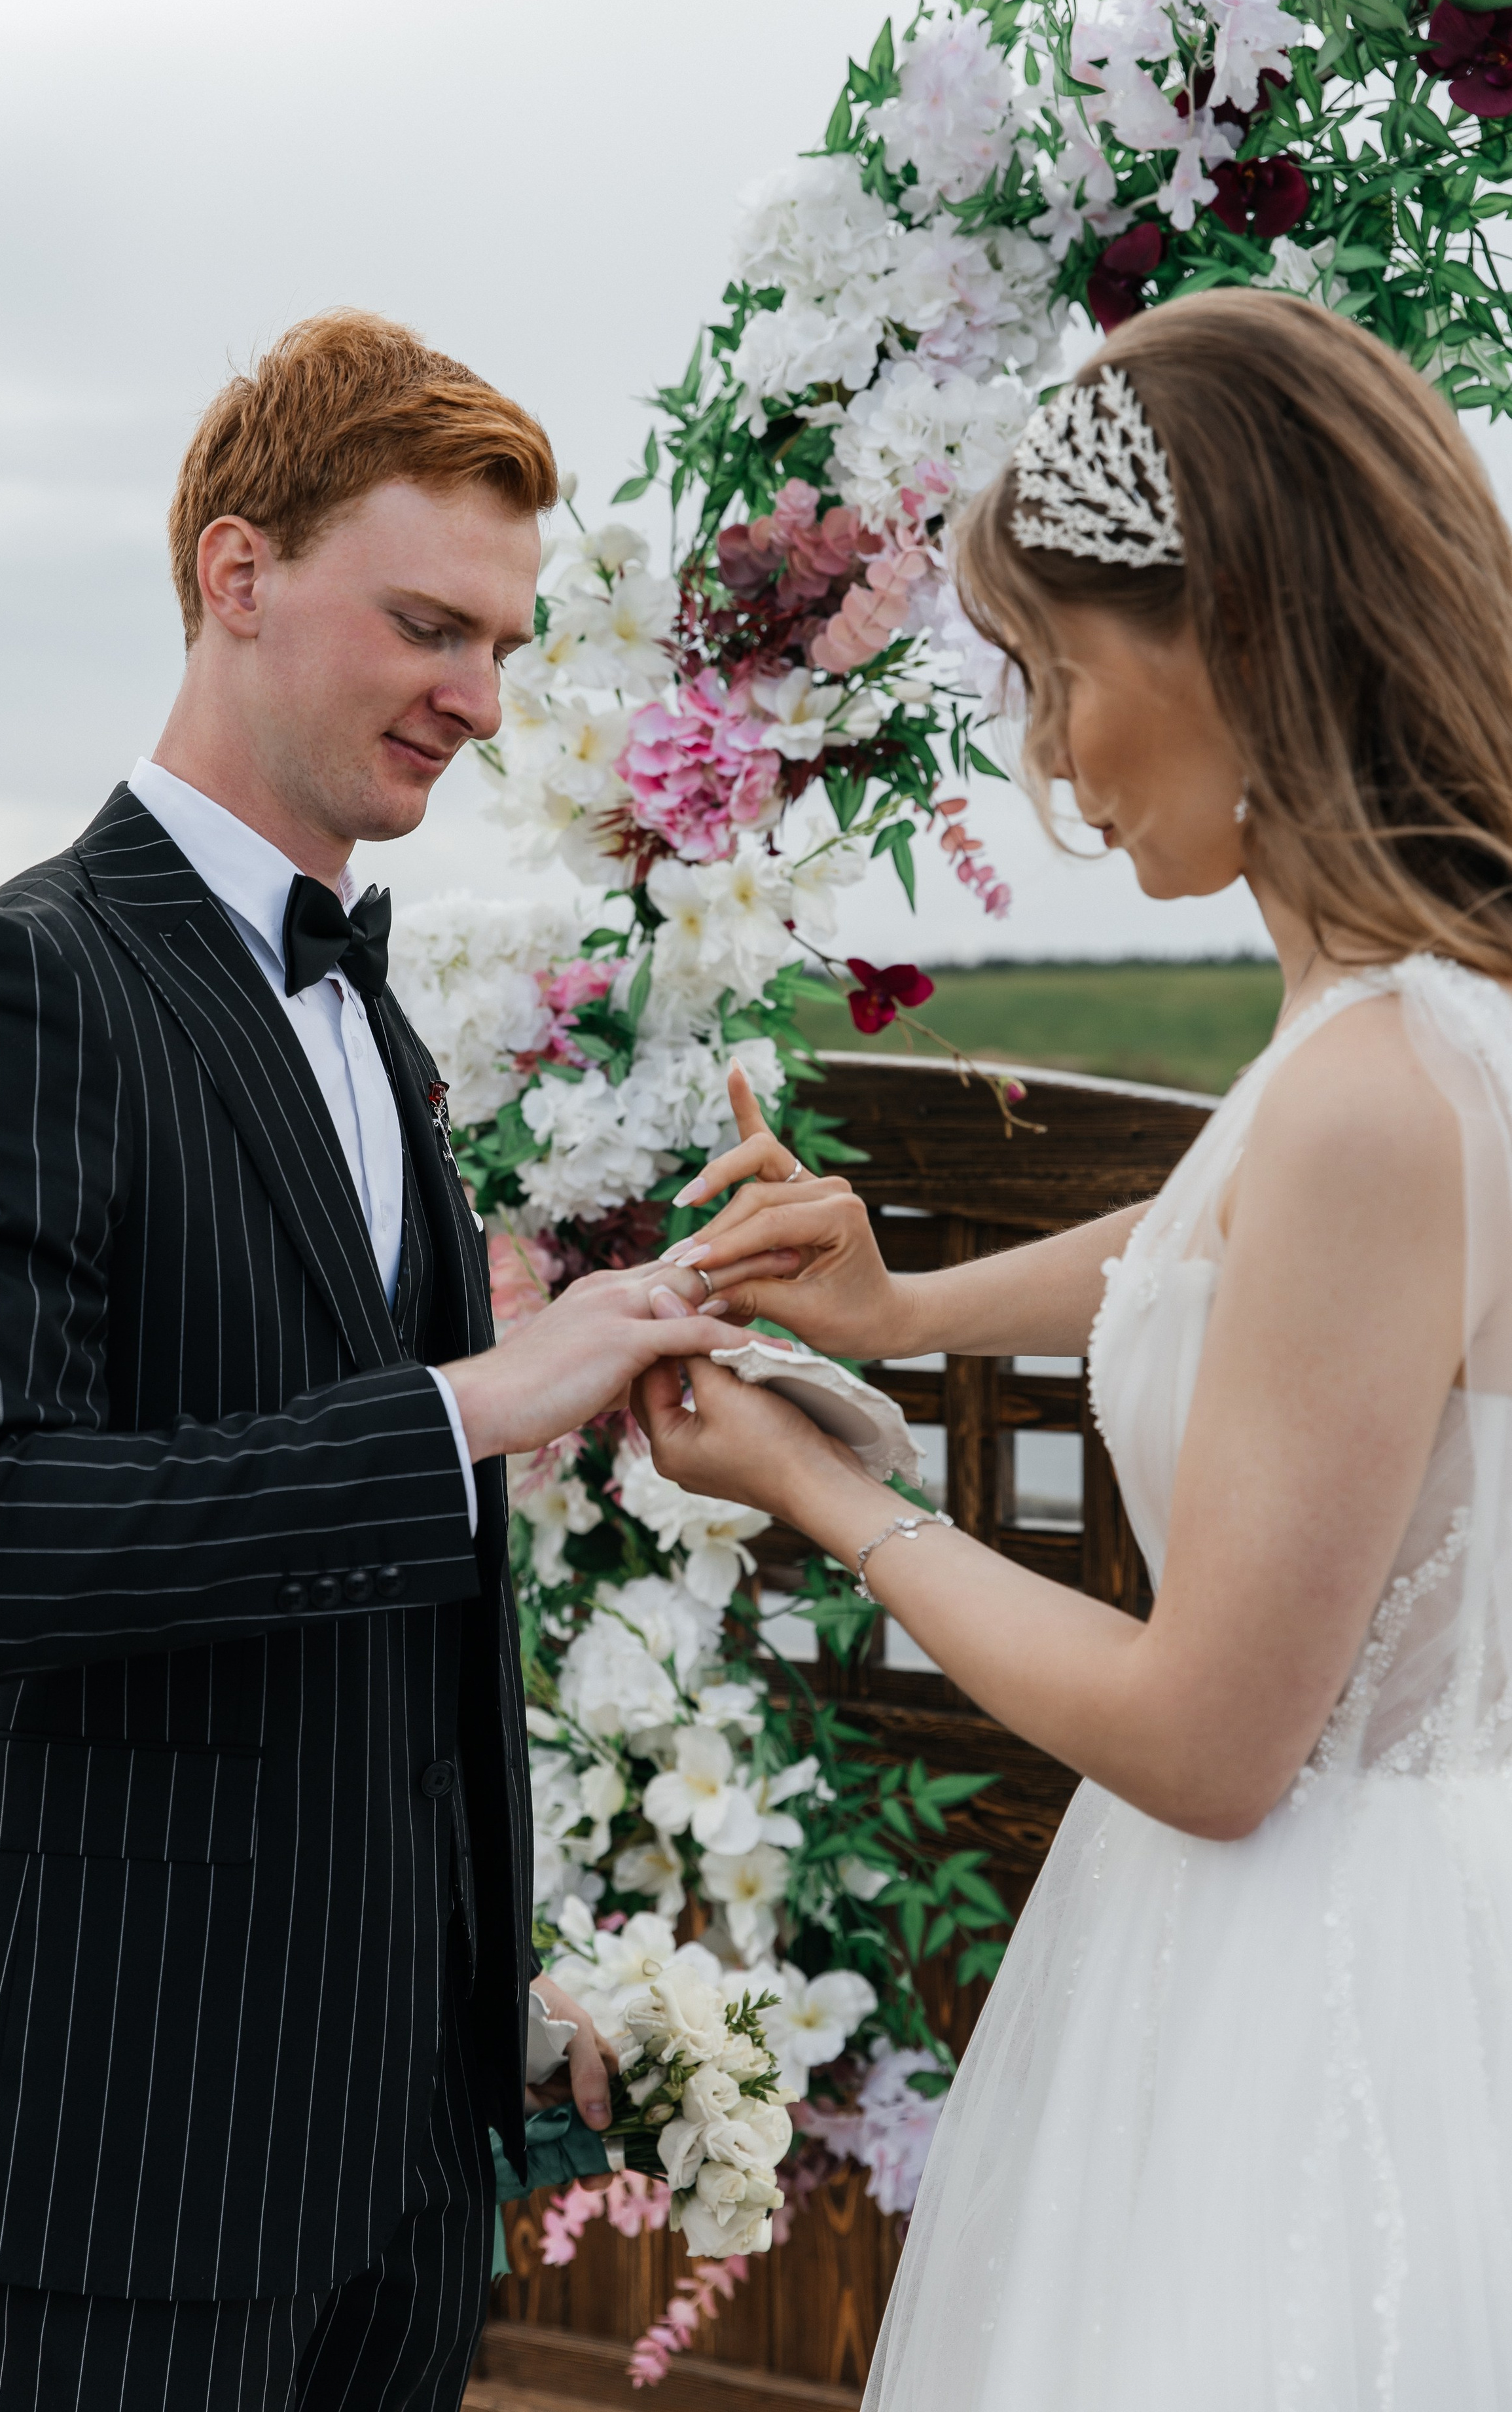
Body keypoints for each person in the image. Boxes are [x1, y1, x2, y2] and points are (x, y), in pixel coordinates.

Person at [0, 310, 740, 2412]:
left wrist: (490, 2012)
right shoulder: (2, 983)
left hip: (393, 2174)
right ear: (239, 578)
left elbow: (353, 1647)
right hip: (105, 2163)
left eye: (506, 645)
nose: (480, 698)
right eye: (431, 624)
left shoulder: (369, 1021)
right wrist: (462, 1411)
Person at [638, 291, 1512, 2406]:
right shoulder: (1397, 1032)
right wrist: (910, 1312)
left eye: (1057, 675)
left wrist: (836, 1494)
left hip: (1313, 2035)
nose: (1044, 757)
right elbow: (1239, 1237)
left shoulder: (1381, 1082)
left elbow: (1210, 1744)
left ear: (1233, 628)